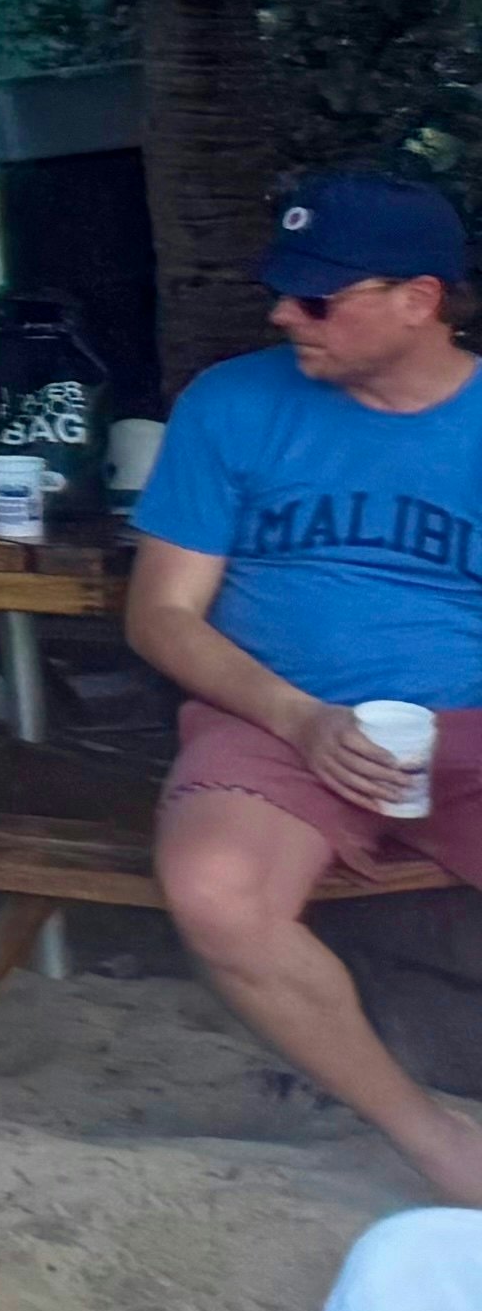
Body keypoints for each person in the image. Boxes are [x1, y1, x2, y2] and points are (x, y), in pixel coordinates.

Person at [129, 167, 482, 1206]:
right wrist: (298, 715)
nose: (285, 313)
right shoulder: (234, 402)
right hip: (275, 723)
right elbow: (161, 615)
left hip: (467, 731)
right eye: (282, 288)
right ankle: (435, 1141)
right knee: (216, 893)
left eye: (318, 297)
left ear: (419, 300)